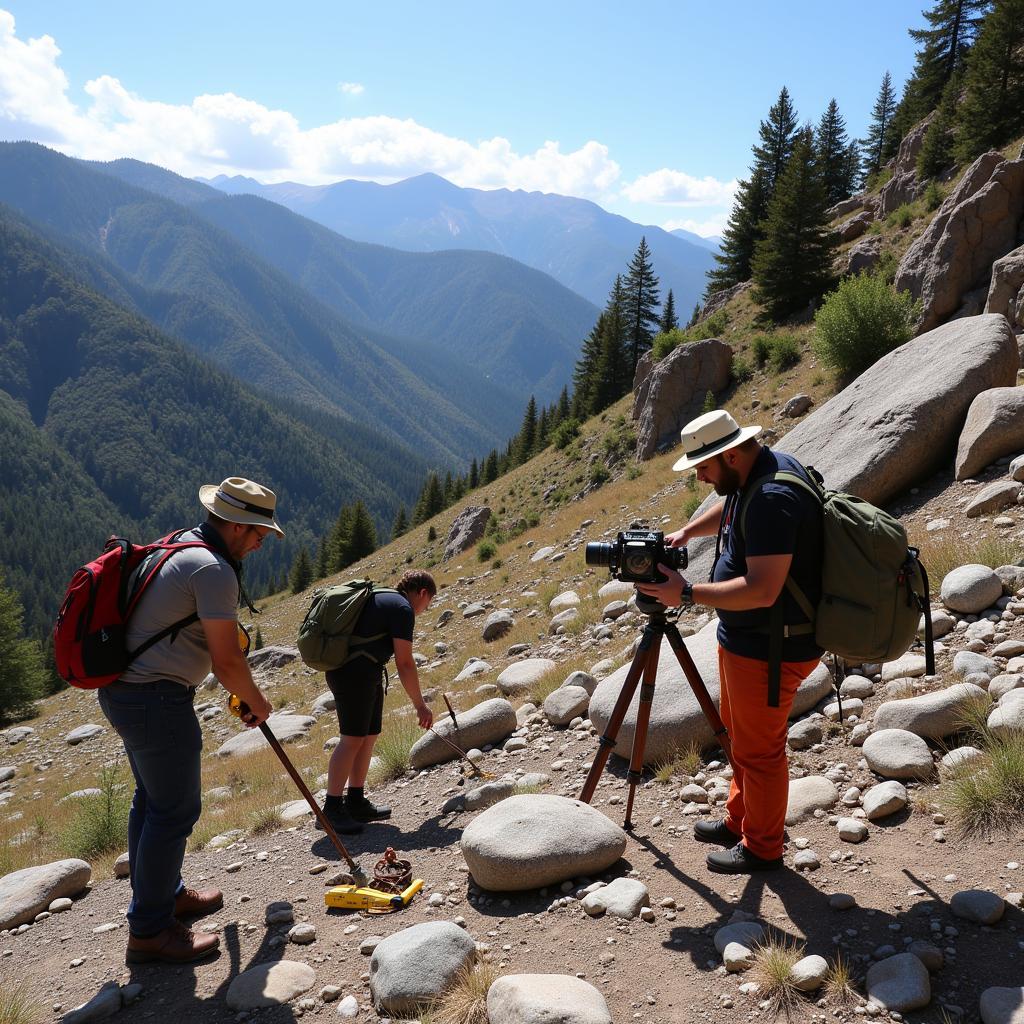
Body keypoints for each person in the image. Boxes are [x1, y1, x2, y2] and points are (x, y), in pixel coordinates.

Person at [97, 477, 281, 964]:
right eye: (260, 530)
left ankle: (164, 895)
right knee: (174, 812)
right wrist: (257, 702)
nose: (263, 540)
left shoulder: (183, 542)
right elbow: (226, 663)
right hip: (156, 701)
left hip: (124, 692)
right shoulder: (213, 569)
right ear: (236, 525)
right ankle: (150, 930)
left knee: (152, 802)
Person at [636, 410, 823, 875]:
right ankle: (741, 819)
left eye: (703, 466)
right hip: (747, 640)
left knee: (760, 751)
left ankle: (762, 848)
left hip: (771, 647)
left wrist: (686, 593)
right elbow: (734, 503)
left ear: (732, 454)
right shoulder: (757, 472)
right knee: (741, 739)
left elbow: (763, 589)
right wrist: (688, 531)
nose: (699, 475)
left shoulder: (773, 497)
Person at [320, 570, 436, 834]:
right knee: (351, 739)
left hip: (363, 672)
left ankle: (356, 801)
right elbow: (405, 663)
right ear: (422, 593)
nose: (424, 609)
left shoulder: (386, 598)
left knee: (368, 735)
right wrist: (420, 705)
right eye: (427, 604)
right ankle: (331, 810)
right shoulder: (402, 608)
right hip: (354, 675)